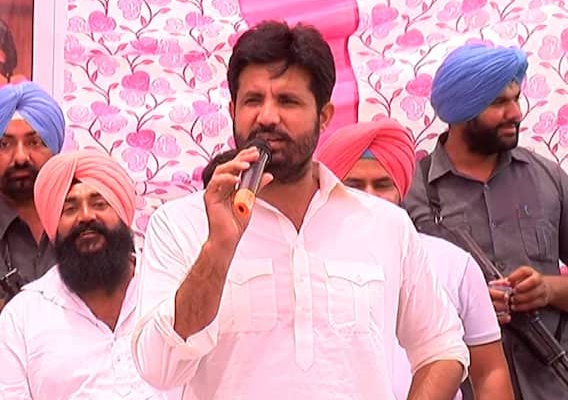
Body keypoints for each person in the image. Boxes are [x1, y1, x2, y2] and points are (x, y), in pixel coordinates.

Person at [132, 20, 469, 399]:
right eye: (253, 100)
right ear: (232, 110)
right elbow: (159, 370)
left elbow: (442, 347)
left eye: (288, 101)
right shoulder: (181, 224)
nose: (267, 117)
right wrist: (217, 250)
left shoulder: (385, 224)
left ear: (324, 116)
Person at [404, 43, 568, 400]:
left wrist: (547, 289)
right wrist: (466, 304)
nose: (516, 113)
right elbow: (389, 310)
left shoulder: (549, 178)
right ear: (461, 110)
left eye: (516, 98)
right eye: (497, 103)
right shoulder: (412, 194)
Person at [316, 120, 514, 400]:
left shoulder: (454, 264)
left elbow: (489, 372)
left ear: (401, 189)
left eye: (382, 185)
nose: (370, 197)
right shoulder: (306, 262)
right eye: (354, 185)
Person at [0, 150, 167, 399]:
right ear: (54, 227)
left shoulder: (169, 290)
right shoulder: (22, 316)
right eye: (69, 209)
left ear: (124, 215)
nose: (86, 216)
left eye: (100, 204)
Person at [0, 81, 65, 309]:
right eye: (4, 144)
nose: (20, 157)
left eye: (34, 142)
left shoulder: (87, 221)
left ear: (55, 150)